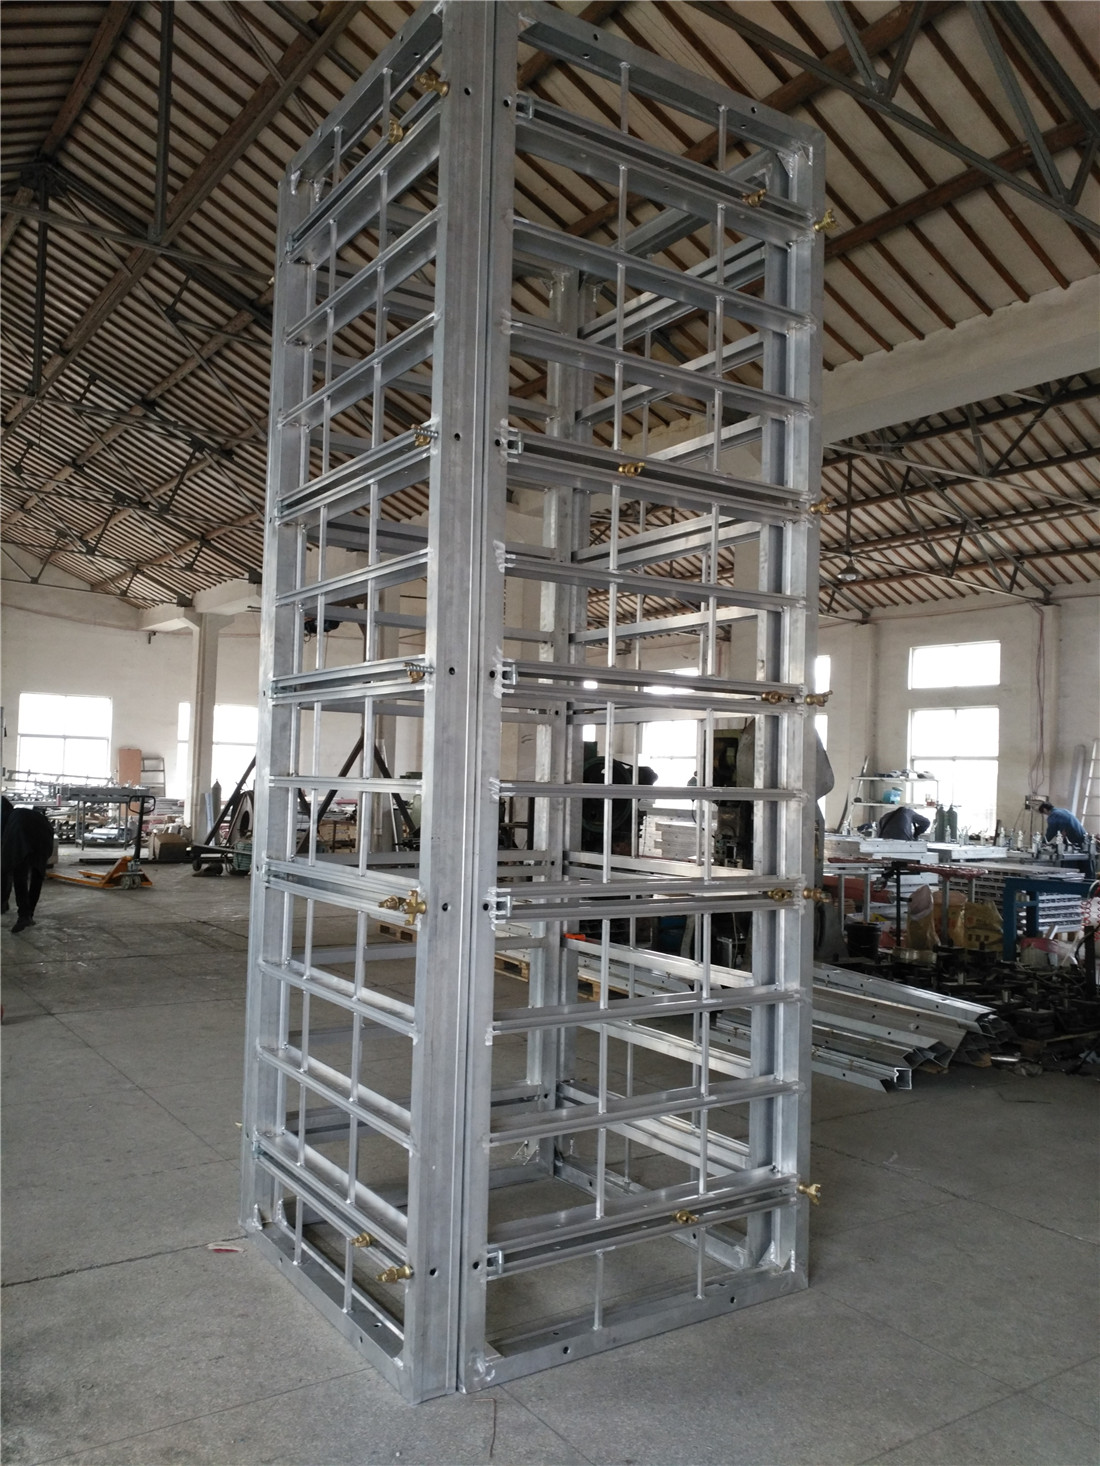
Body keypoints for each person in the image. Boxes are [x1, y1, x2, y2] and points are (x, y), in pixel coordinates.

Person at [1, 796, 56, 933]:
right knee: (38, 874)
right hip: (45, 833)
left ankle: (22, 914)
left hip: (21, 832)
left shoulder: (7, 817)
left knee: (17, 873)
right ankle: (28, 914)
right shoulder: (20, 812)